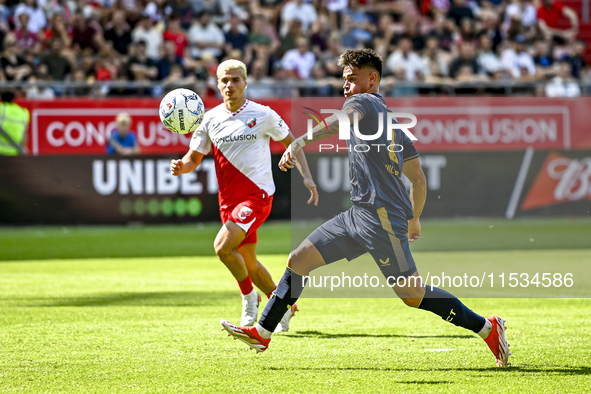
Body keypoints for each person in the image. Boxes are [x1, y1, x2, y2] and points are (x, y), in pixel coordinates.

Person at [220, 49, 510, 368]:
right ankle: (263, 332)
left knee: (412, 295)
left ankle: (487, 327)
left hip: (383, 218)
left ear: (372, 80)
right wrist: (415, 218)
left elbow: (342, 119)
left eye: (351, 79)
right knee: (299, 259)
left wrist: (298, 142)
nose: (346, 86)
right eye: (343, 80)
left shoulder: (365, 102)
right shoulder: (394, 124)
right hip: (358, 215)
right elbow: (419, 180)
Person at [170, 59, 319, 331]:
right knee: (248, 263)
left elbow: (292, 143)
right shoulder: (209, 119)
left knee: (222, 247)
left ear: (245, 82)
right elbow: (193, 158)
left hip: (257, 196)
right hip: (228, 202)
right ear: (217, 84)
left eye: (235, 79)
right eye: (224, 80)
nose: (230, 85)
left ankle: (249, 297)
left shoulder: (263, 114)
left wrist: (307, 178)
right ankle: (285, 305)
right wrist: (182, 167)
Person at [0, 91, 29, 155]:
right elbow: (25, 134)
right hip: (15, 151)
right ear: (13, 99)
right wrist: (23, 148)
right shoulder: (23, 112)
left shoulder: (1, 108)